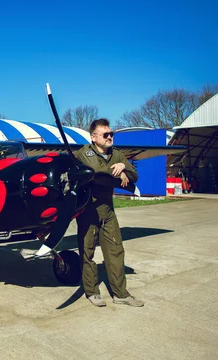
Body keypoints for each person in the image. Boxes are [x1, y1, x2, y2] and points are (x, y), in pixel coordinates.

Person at [74, 118, 144, 307]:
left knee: (115, 250)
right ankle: (92, 291)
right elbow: (97, 172)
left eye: (111, 134)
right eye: (105, 134)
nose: (110, 137)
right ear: (94, 137)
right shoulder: (84, 153)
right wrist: (120, 173)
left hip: (107, 209)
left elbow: (134, 175)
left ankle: (120, 294)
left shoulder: (116, 154)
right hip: (88, 209)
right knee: (87, 251)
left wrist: (123, 167)